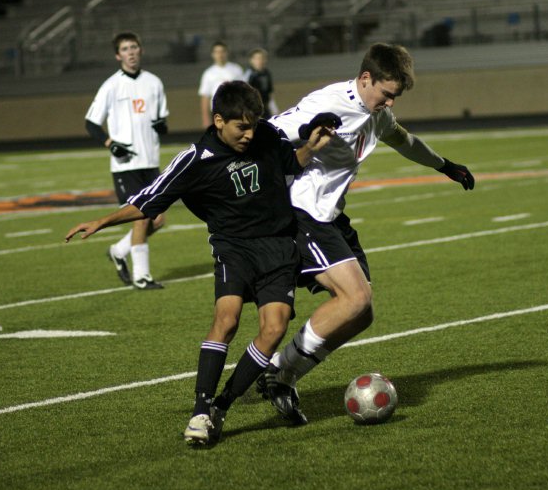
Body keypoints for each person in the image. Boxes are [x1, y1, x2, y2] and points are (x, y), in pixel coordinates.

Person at [66, 81, 337, 446]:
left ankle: (223, 405)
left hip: (277, 247)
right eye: (241, 127)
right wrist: (102, 221)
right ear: (219, 120)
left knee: (274, 329)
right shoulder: (195, 158)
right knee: (226, 320)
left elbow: (291, 162)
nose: (249, 133)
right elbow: (150, 199)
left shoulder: (267, 136)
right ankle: (200, 410)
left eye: (253, 124)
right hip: (234, 250)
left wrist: (310, 148)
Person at [259, 42, 476, 424]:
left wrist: (445, 165)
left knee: (362, 314)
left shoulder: (376, 112)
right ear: (365, 79)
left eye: (395, 97)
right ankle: (277, 370)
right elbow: (270, 133)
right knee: (354, 297)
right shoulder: (329, 103)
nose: (390, 103)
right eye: (387, 94)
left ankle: (282, 371)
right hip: (302, 212)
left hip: (330, 214)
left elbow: (402, 140)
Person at [85, 31, 169, 290]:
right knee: (141, 218)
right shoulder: (111, 85)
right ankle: (141, 276)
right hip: (126, 166)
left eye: (134, 47)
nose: (131, 52)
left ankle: (119, 251)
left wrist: (161, 126)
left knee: (158, 220)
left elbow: (162, 121)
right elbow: (91, 122)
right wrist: (111, 144)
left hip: (150, 160)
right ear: (118, 55)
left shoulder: (154, 82)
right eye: (125, 48)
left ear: (140, 50)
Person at [198, 40, 243, 129]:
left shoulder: (236, 70)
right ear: (213, 54)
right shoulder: (208, 73)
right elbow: (205, 97)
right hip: (217, 113)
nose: (220, 54)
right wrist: (205, 119)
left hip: (234, 111)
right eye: (217, 52)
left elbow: (243, 93)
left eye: (222, 51)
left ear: (227, 53)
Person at [243, 48, 278, 118]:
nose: (260, 61)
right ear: (251, 60)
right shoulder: (249, 74)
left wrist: (273, 106)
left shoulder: (266, 73)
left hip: (265, 106)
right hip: (253, 108)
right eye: (257, 59)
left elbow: (269, 91)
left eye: (262, 58)